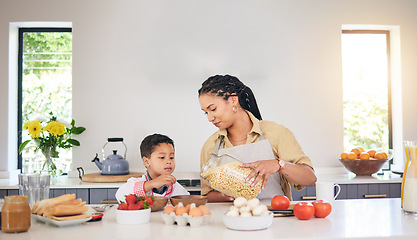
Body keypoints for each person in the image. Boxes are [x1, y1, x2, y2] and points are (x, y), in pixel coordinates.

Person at [198, 74, 317, 202]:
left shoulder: (275, 133)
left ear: (233, 100)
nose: (209, 118)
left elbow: (310, 179)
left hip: (275, 217)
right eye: (206, 112)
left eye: (213, 109)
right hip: (232, 219)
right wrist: (224, 196)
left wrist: (279, 165)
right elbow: (207, 195)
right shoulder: (211, 145)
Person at [115, 133, 189, 202]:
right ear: (146, 162)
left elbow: (187, 203)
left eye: (171, 157)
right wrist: (152, 184)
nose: (168, 161)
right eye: (162, 157)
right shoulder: (135, 183)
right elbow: (120, 195)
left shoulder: (176, 188)